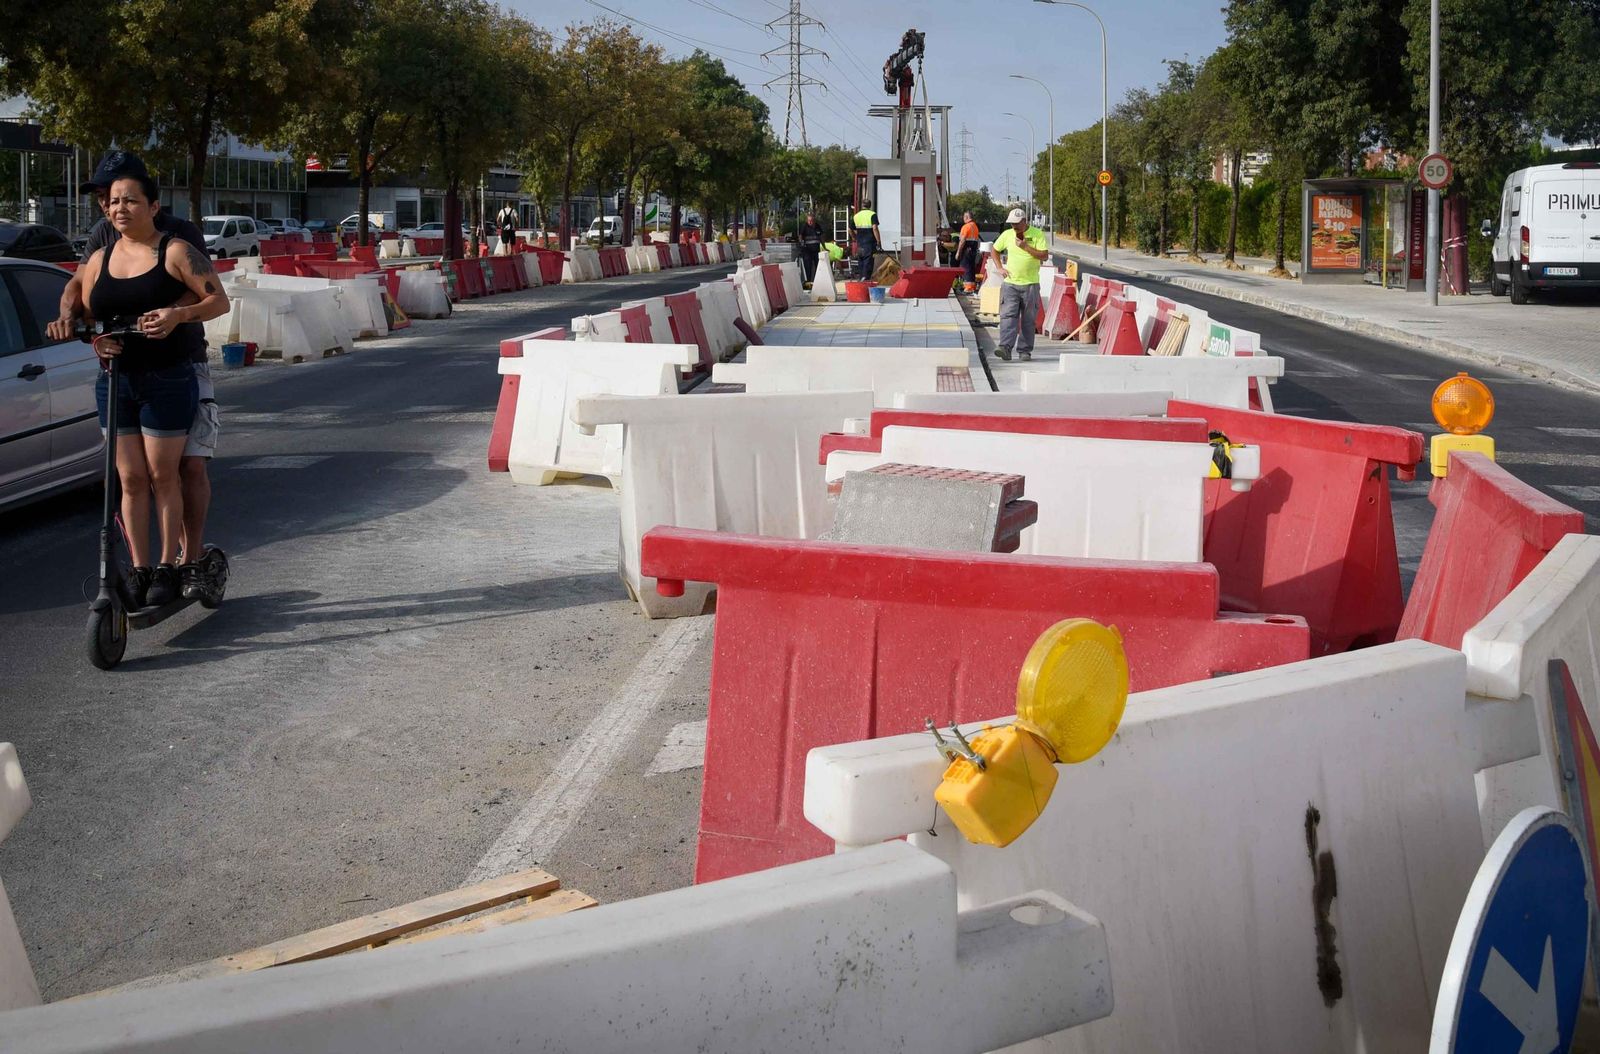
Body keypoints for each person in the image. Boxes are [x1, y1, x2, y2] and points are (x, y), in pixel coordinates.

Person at [48, 151, 225, 603]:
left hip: (178, 363)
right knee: (130, 478)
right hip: (119, 375)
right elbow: (83, 295)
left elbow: (209, 294)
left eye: (127, 198)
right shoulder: (102, 241)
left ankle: (187, 561)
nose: (115, 207)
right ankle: (142, 568)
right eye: (109, 200)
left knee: (184, 466)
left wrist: (174, 316)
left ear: (153, 204)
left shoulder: (179, 238)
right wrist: (83, 331)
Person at [989, 207, 1049, 361]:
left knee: (1028, 320)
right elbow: (994, 250)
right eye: (1011, 224)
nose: (1014, 227)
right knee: (1008, 316)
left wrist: (1025, 247)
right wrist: (1000, 268)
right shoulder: (1007, 235)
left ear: (1024, 221)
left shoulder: (1037, 234)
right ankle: (1005, 348)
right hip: (1011, 284)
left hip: (1030, 284)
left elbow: (1044, 255)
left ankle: (1024, 351)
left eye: (1016, 223)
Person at [852, 198, 881, 281]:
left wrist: (854, 237)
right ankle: (865, 281)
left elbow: (850, 229)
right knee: (868, 264)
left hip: (860, 244)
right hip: (869, 244)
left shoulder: (856, 216)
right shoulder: (872, 214)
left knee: (861, 262)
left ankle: (861, 280)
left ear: (862, 205)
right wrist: (878, 241)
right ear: (870, 205)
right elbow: (875, 228)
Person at [955, 211, 982, 292]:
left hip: (966, 250)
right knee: (971, 267)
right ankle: (971, 286)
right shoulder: (975, 227)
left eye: (964, 217)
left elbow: (962, 241)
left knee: (965, 267)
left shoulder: (965, 227)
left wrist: (958, 252)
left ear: (966, 217)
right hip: (973, 249)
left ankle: (967, 287)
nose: (963, 219)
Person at [797, 211, 824, 284]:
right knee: (808, 267)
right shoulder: (804, 226)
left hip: (816, 250)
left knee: (818, 266)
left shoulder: (818, 226)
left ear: (814, 220)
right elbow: (800, 235)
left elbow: (821, 237)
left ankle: (818, 282)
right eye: (809, 221)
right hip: (807, 250)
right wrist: (801, 243)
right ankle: (808, 283)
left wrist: (824, 246)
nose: (810, 222)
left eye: (811, 221)